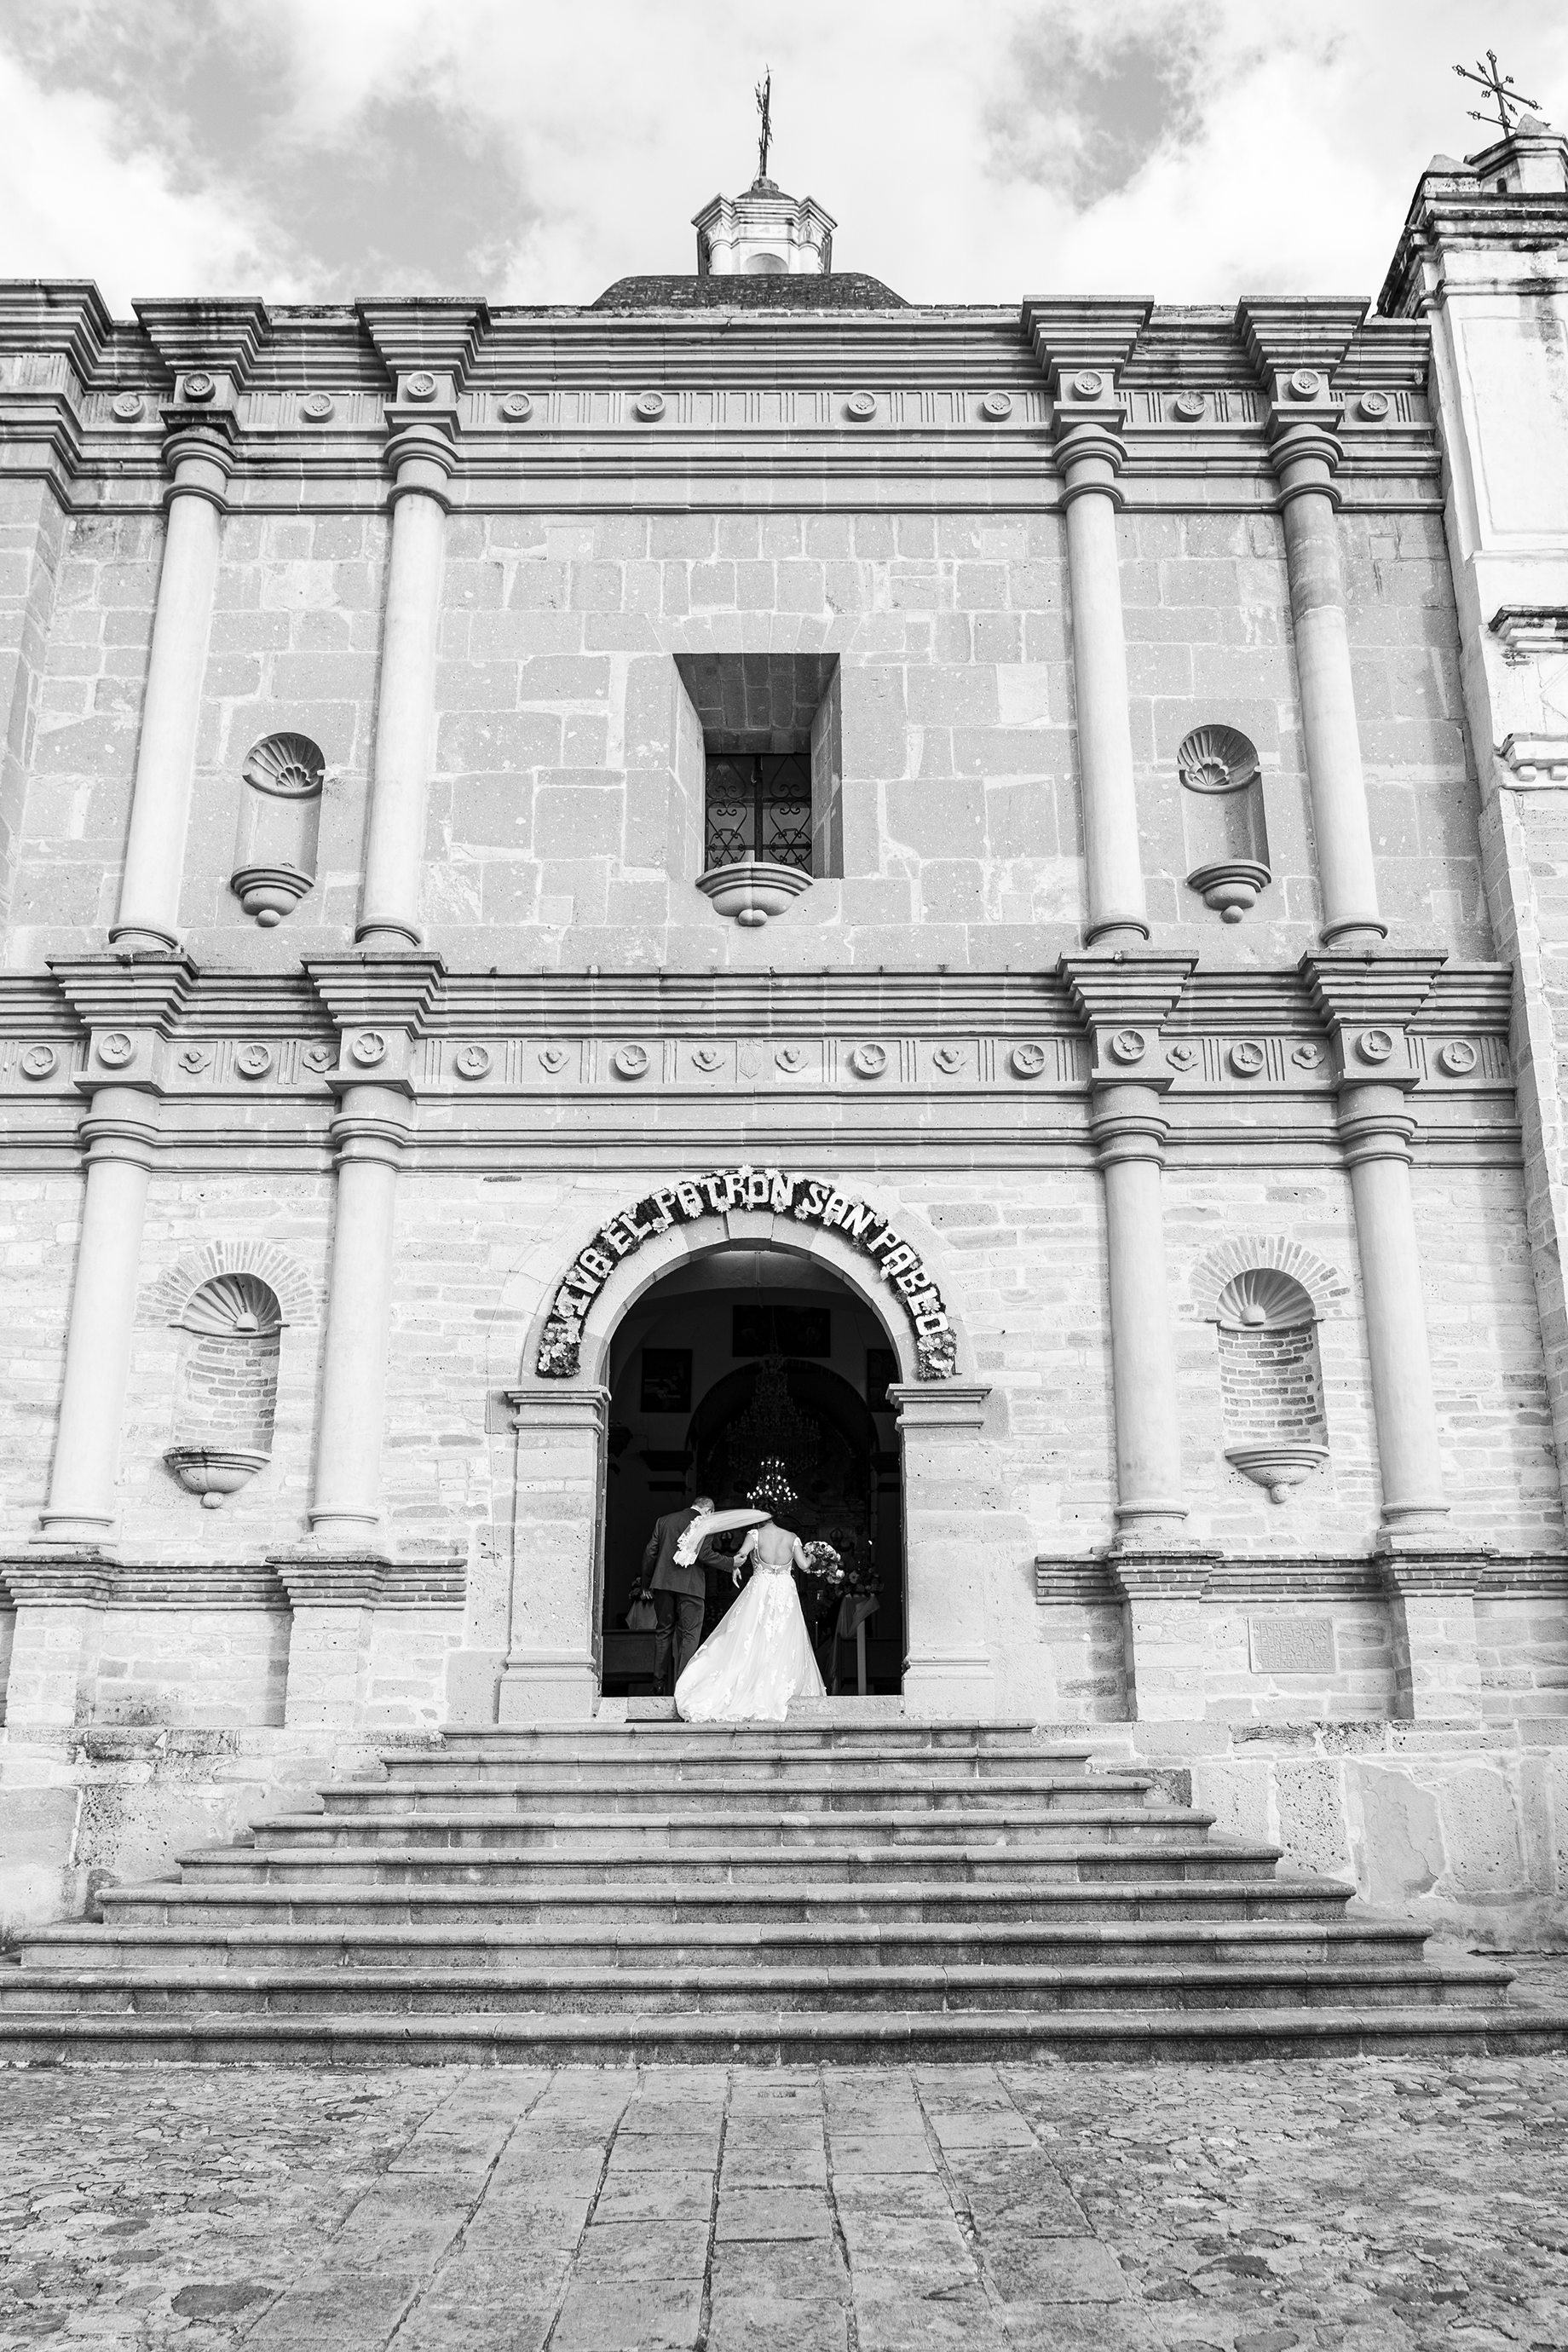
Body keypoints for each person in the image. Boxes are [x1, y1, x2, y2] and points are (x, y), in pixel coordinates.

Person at [675, 1513, 827, 1724]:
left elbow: (741, 1556)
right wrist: (812, 1557)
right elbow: (803, 1565)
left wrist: (734, 1568)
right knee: (783, 1637)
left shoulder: (754, 1535)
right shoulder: (792, 1537)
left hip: (761, 1589)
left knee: (753, 1635)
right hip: (784, 1591)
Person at [641, 1494, 724, 1697]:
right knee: (689, 1634)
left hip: (663, 1584)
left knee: (663, 1632)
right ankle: (682, 1686)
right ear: (708, 1510)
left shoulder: (664, 1521)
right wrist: (731, 1564)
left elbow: (650, 1552)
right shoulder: (705, 1523)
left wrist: (647, 1583)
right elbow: (706, 1554)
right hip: (691, 1586)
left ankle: (658, 1683)